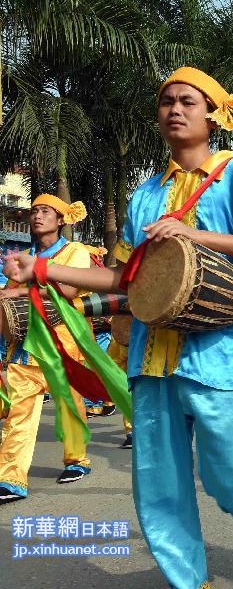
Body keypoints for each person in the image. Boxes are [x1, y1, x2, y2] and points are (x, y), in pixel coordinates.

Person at [4, 66, 233, 585]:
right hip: (150, 356)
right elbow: (119, 277)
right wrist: (42, 268)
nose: (175, 109)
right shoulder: (142, 197)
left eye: (187, 100)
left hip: (219, 350)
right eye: (166, 102)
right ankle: (189, 579)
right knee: (159, 484)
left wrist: (193, 236)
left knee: (231, 472)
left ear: (212, 114)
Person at [0, 195, 94, 503]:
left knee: (70, 407)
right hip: (24, 347)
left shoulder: (74, 251)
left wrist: (18, 290)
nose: (38, 216)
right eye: (34, 211)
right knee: (19, 412)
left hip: (63, 345)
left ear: (61, 219)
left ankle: (77, 459)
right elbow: (8, 296)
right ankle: (12, 478)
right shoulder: (21, 255)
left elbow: (66, 290)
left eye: (45, 211)